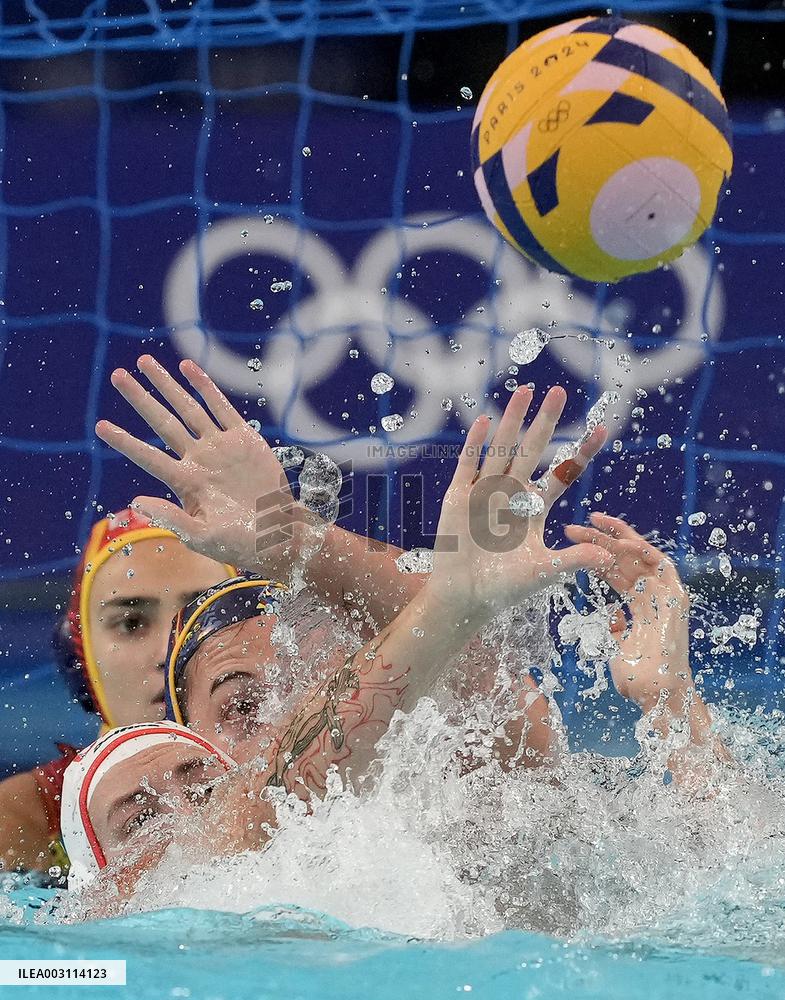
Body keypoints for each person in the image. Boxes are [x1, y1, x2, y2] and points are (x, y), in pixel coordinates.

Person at [0, 508, 232, 874]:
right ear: (80, 659)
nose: (169, 651)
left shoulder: (312, 767)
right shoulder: (22, 825)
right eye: (132, 623)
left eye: (201, 614)